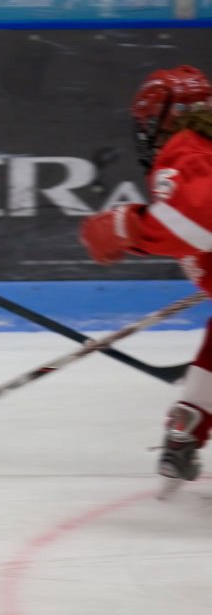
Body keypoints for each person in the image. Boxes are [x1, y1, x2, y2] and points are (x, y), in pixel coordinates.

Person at [80, 64, 212, 492]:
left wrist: (126, 227)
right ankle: (188, 421)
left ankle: (188, 421)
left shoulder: (188, 150)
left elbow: (194, 224)